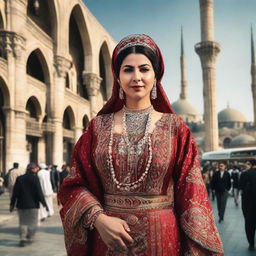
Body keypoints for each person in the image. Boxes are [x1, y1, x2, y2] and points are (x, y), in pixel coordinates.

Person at [58, 34, 224, 255]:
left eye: (144, 69)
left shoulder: (176, 128)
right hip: (107, 240)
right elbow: (74, 184)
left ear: (156, 75)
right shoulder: (97, 127)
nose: (136, 77)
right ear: (117, 77)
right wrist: (98, 218)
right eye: (128, 70)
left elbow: (192, 195)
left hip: (163, 241)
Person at [10, 163, 48, 247]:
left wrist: (12, 205)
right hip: (33, 205)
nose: (37, 170)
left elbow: (15, 193)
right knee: (32, 222)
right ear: (33, 169)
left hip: (22, 205)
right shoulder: (35, 178)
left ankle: (22, 239)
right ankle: (30, 237)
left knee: (22, 222)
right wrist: (44, 204)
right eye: (36, 169)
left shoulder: (19, 178)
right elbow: (39, 192)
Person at [239, 159, 256, 251]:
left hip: (248, 204)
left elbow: (241, 187)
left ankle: (251, 242)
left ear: (250, 164)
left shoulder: (245, 174)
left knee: (249, 224)